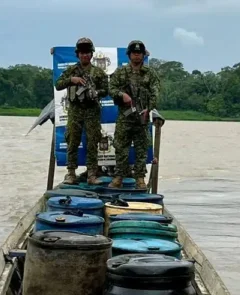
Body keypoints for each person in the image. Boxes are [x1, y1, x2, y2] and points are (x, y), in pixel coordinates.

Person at [54, 37, 109, 185]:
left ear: (91, 54)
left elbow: (106, 90)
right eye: (82, 53)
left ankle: (92, 174)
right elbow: (58, 84)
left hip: (92, 110)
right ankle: (71, 173)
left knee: (92, 142)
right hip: (75, 110)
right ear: (78, 54)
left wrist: (97, 92)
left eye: (87, 53)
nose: (85, 55)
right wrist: (72, 80)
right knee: (72, 141)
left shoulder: (98, 72)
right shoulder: (71, 71)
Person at [108, 40, 161, 190]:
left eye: (139, 53)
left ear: (143, 55)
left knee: (141, 149)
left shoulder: (150, 74)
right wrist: (122, 95)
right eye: (134, 53)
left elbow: (155, 93)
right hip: (125, 117)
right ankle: (118, 177)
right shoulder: (121, 72)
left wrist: (148, 108)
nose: (136, 56)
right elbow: (111, 88)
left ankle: (140, 179)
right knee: (121, 147)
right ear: (129, 55)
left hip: (142, 117)